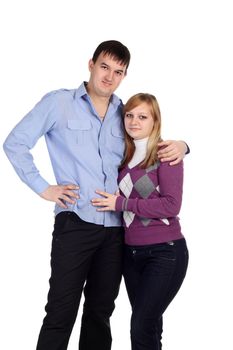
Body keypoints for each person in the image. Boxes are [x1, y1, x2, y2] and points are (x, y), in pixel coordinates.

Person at [3, 41, 188, 350]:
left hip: (117, 230)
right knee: (61, 311)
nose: (109, 77)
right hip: (76, 221)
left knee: (100, 313)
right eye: (104, 67)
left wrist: (183, 145)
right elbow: (15, 144)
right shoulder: (58, 104)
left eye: (118, 72)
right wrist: (44, 188)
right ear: (91, 64)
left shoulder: (123, 112)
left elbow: (148, 140)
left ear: (124, 76)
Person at [91, 93, 189, 350]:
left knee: (141, 326)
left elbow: (171, 205)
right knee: (150, 326)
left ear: (155, 120)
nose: (134, 121)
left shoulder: (165, 153)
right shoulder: (124, 158)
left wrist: (120, 203)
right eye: (130, 115)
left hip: (164, 252)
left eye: (142, 116)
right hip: (131, 255)